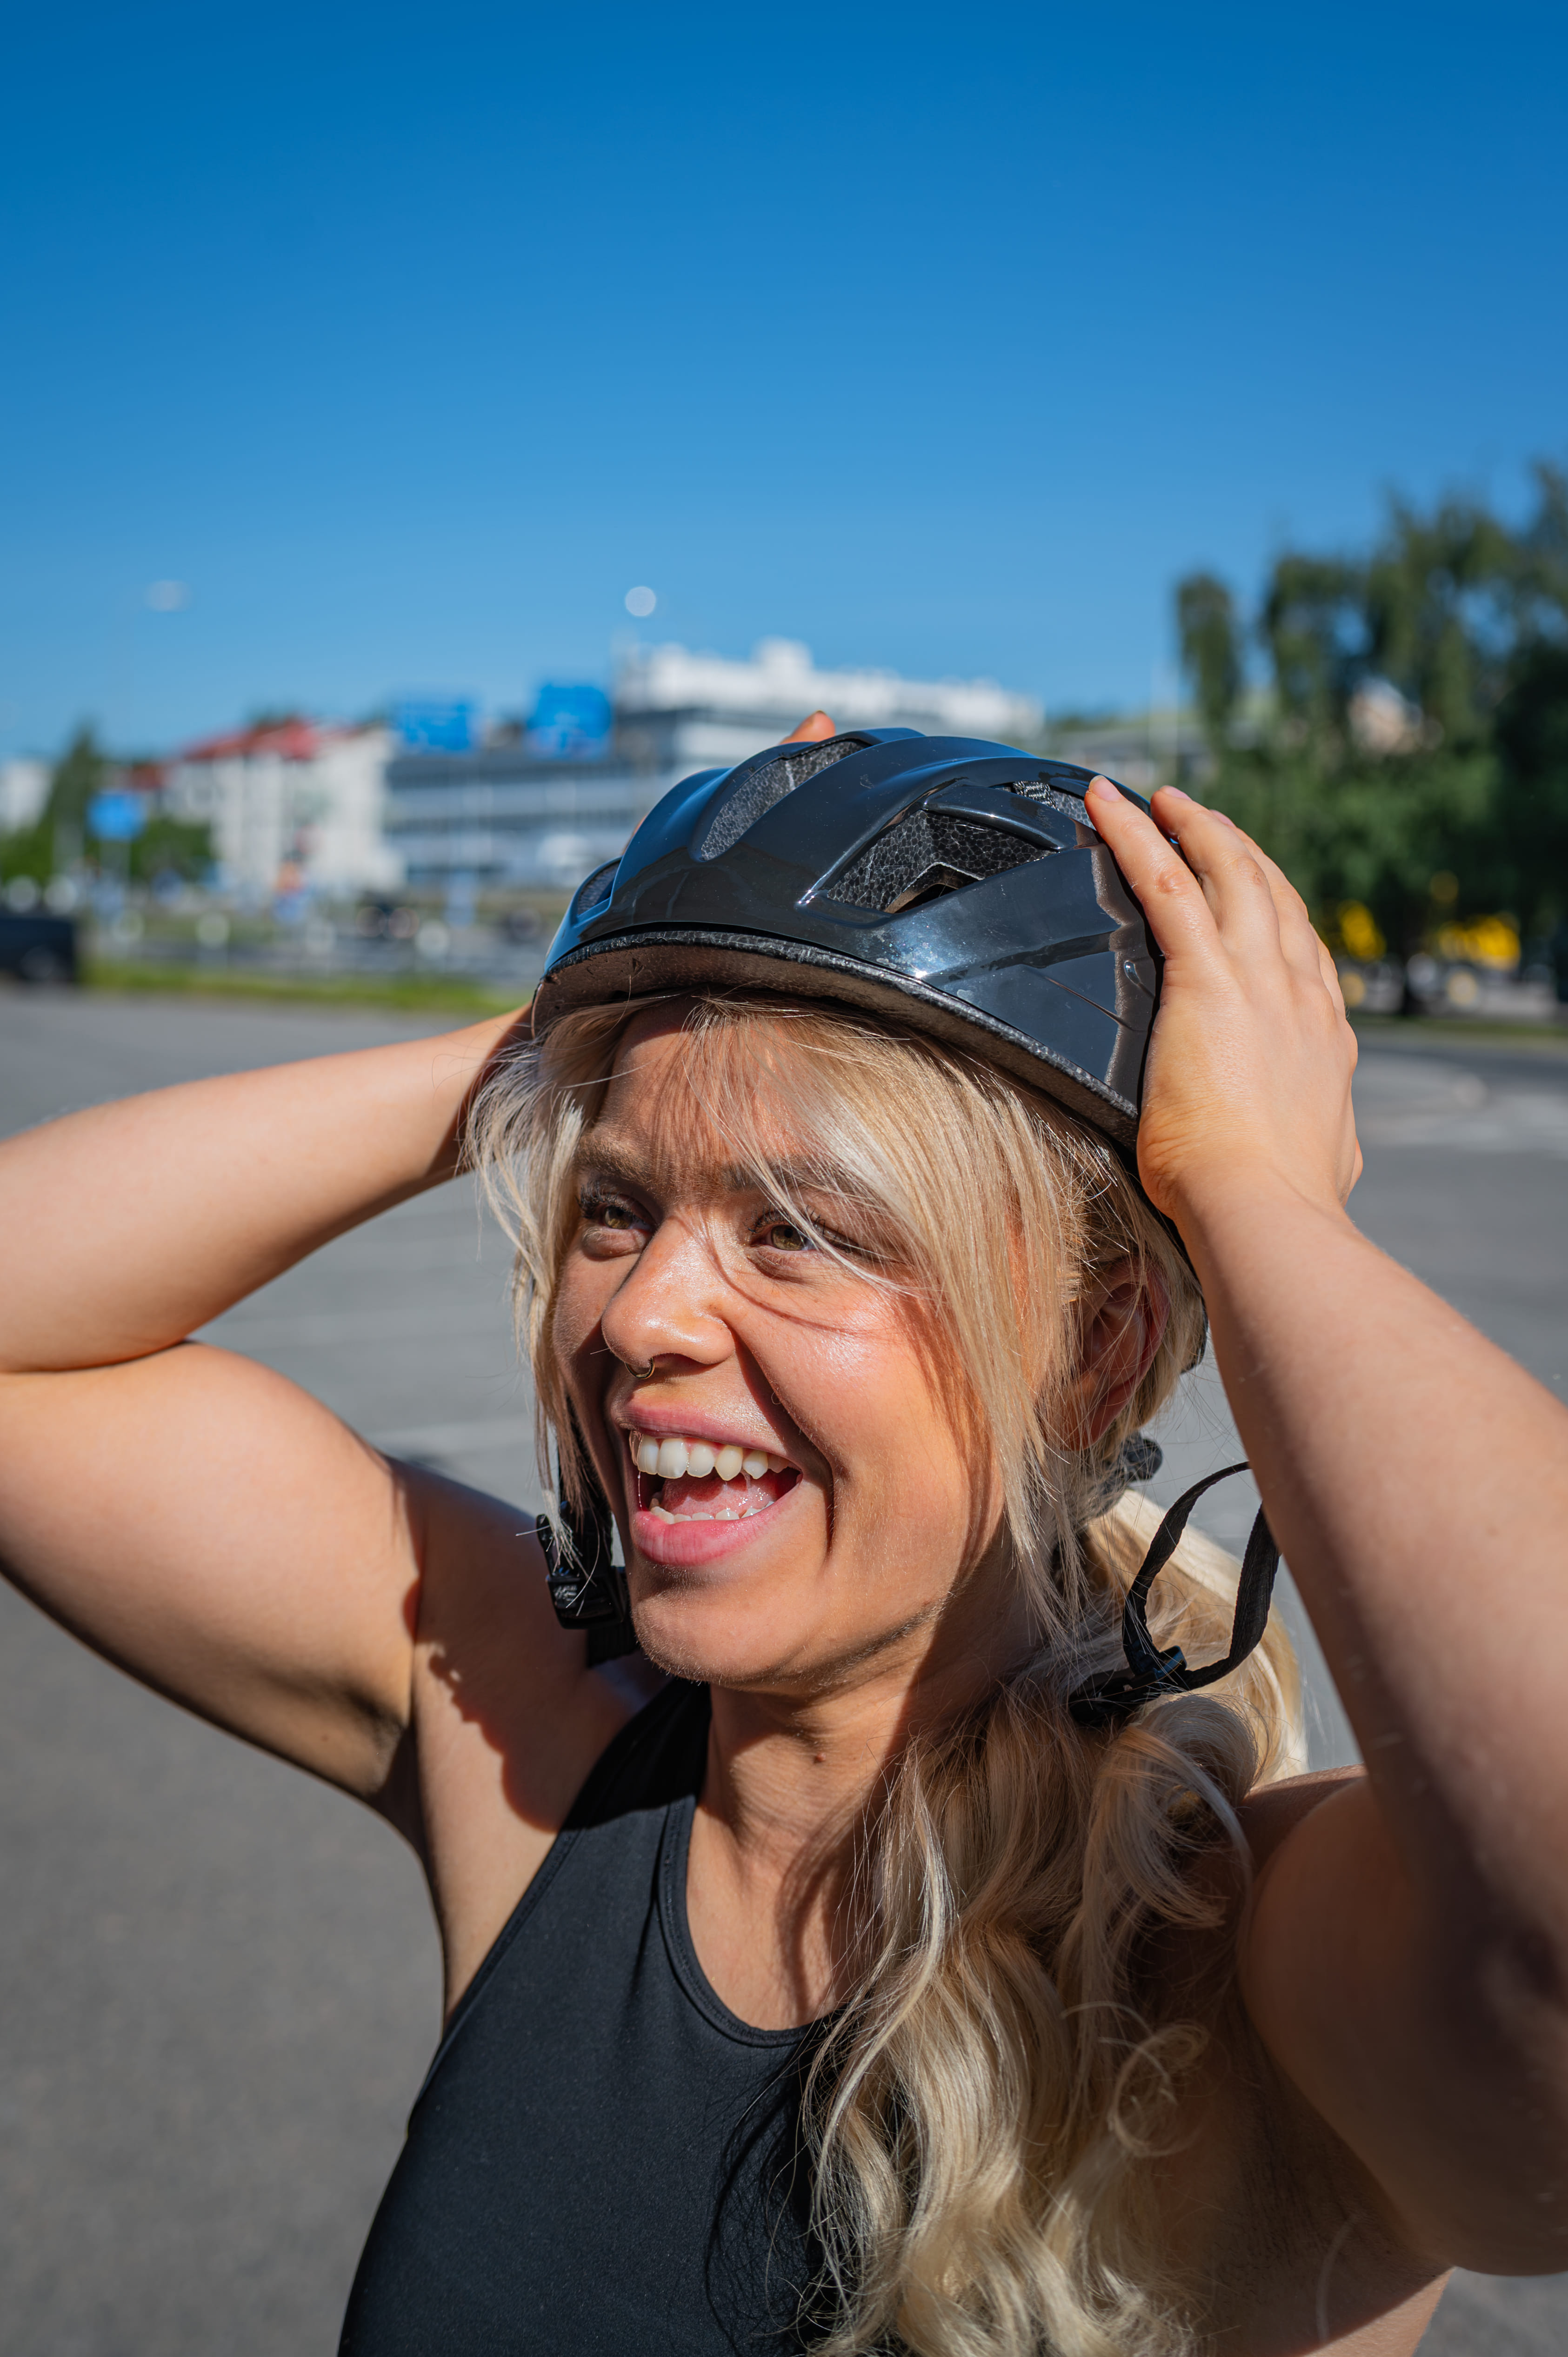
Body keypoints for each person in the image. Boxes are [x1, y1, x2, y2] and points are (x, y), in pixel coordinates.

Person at [2, 713, 1567, 2357]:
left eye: (803, 1229)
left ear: (1099, 1351)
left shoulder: (1230, 1972)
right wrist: (569, 1021)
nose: (642, 1313)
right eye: (617, 1205)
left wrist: (1251, 1190)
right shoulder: (542, 1750)